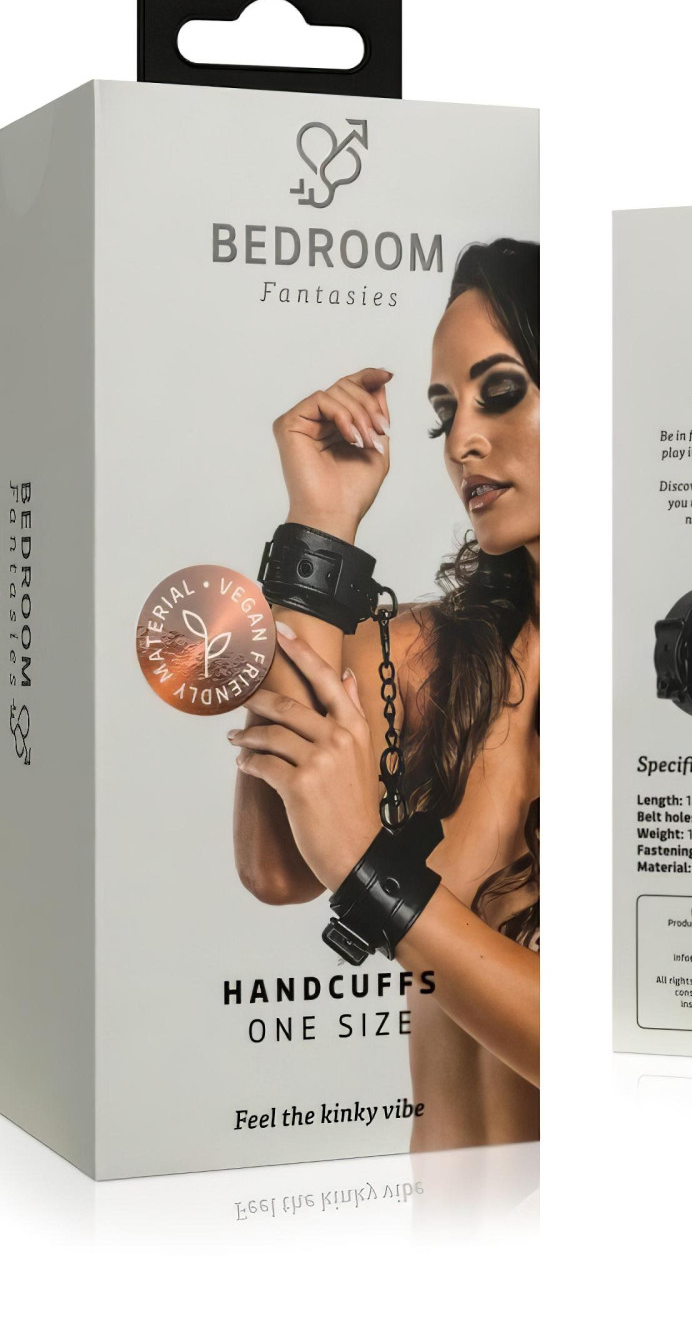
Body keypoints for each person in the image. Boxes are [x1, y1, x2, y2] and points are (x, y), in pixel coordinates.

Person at [230, 238, 540, 1151]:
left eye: (501, 391)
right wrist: (320, 521)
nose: (462, 442)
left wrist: (369, 870)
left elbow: (613, 1056)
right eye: (444, 412)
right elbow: (276, 866)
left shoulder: (680, 690)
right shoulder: (429, 660)